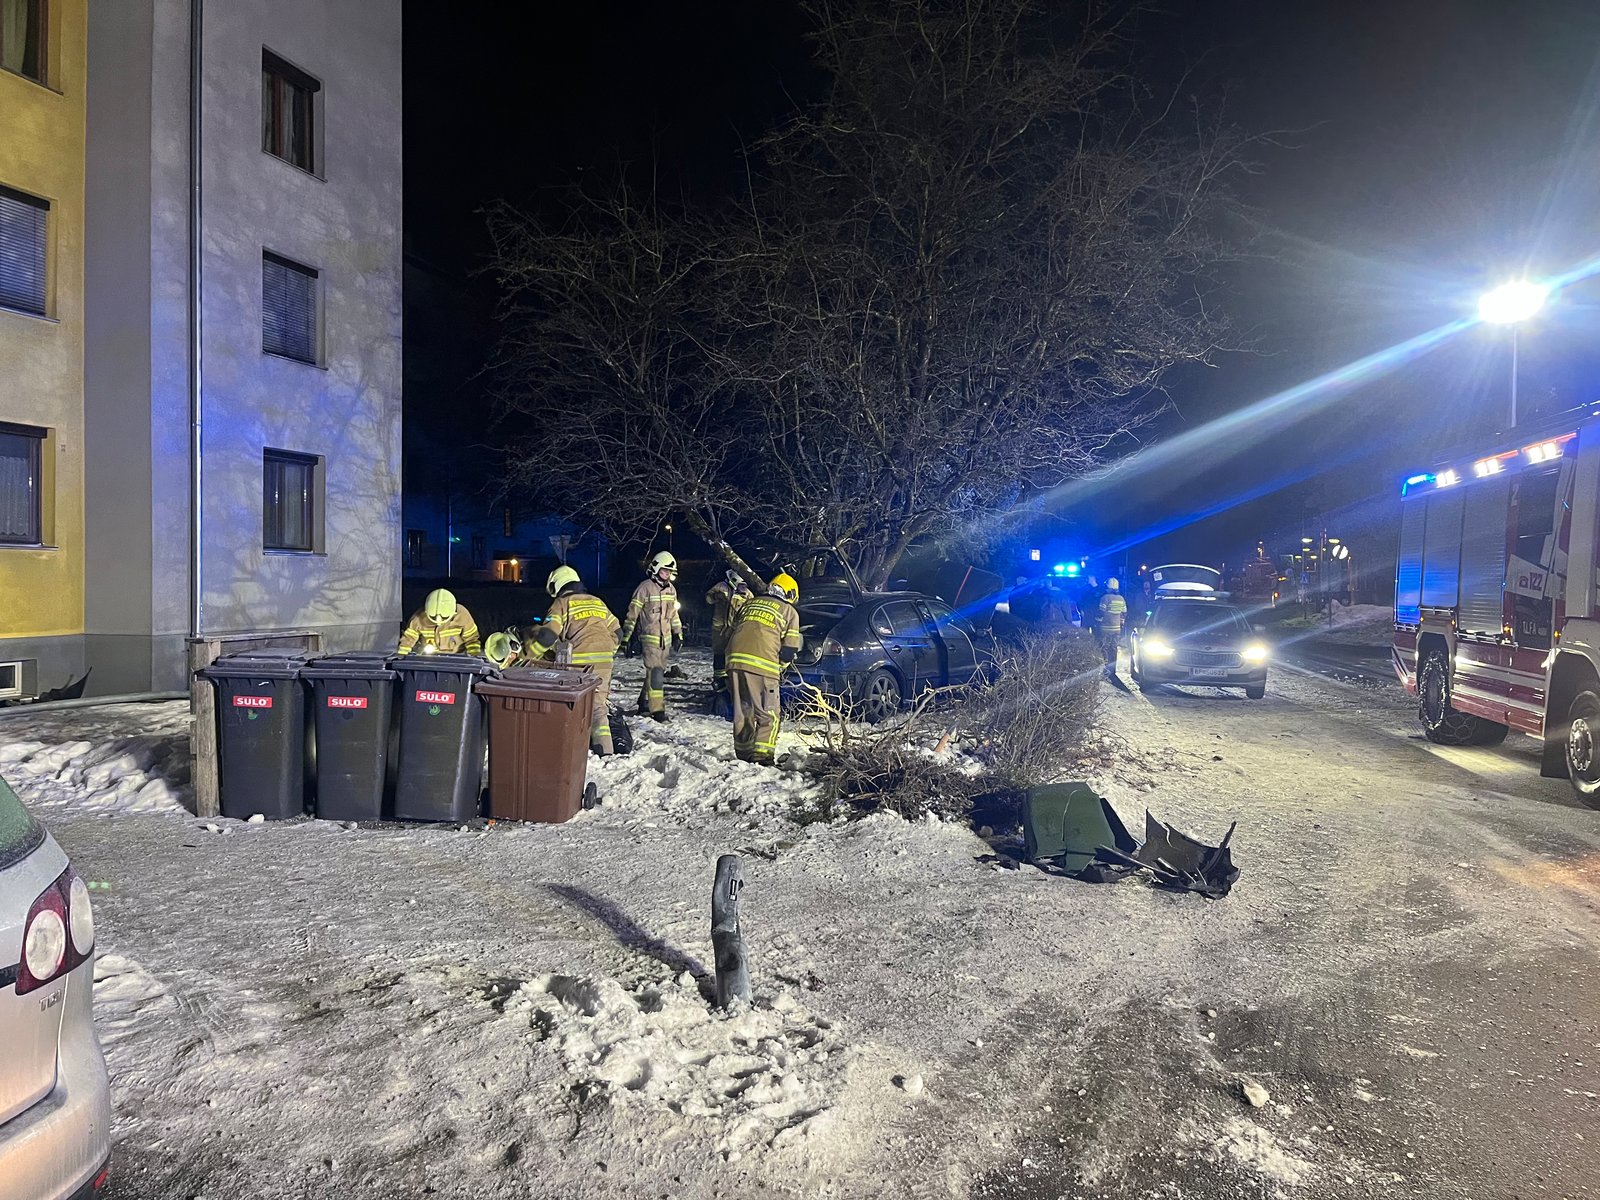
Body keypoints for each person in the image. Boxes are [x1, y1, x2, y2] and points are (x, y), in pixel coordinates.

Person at [531, 565, 622, 755]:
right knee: (597, 706)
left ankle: (570, 747)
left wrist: (532, 654)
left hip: (578, 662)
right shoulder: (597, 602)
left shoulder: (562, 603)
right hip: (605, 660)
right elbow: (618, 632)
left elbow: (547, 636)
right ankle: (605, 750)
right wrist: (608, 651)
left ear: (557, 585)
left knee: (571, 703)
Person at [725, 573, 802, 766]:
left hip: (734, 662)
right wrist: (779, 668)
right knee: (769, 714)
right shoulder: (789, 611)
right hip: (763, 665)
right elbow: (789, 650)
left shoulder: (750, 604)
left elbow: (733, 628)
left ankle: (743, 756)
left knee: (743, 711)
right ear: (790, 594)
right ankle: (763, 757)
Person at [620, 551, 683, 722]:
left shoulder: (671, 590)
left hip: (666, 641)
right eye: (664, 571)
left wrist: (678, 634)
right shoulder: (644, 588)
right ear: (655, 569)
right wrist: (627, 638)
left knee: (654, 673)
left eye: (669, 572)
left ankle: (643, 702)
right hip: (649, 639)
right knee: (656, 673)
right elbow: (632, 615)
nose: (667, 574)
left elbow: (674, 615)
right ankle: (657, 710)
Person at [705, 568, 753, 710]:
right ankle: (719, 683)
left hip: (735, 629)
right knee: (719, 656)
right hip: (719, 628)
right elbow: (708, 599)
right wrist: (716, 596)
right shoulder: (721, 586)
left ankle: (732, 685)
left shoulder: (747, 593)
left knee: (733, 657)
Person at [396, 588, 481, 657]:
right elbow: (408, 639)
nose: (438, 622)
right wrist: (401, 655)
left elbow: (472, 639)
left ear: (453, 612)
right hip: (431, 658)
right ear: (426, 611)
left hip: (457, 657)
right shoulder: (418, 618)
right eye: (432, 617)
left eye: (444, 618)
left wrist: (475, 656)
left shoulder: (462, 615)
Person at [1096, 578, 1128, 679]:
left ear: (1107, 587)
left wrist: (1097, 621)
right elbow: (1124, 613)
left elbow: (1101, 613)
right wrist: (1121, 623)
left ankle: (1105, 669)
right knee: (1114, 648)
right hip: (1117, 628)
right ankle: (1113, 669)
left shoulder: (1105, 598)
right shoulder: (1121, 598)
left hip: (1105, 628)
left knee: (1104, 647)